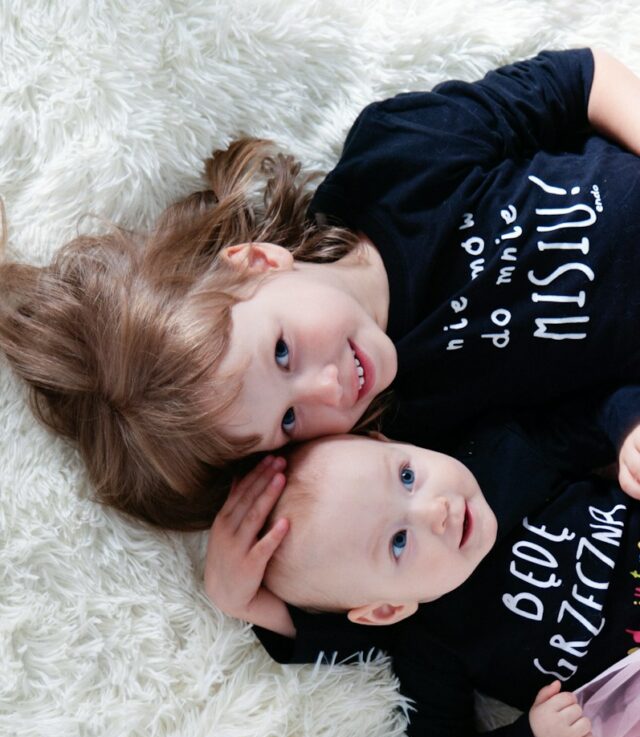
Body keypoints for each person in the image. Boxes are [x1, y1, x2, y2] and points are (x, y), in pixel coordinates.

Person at [4, 51, 640, 545]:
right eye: (287, 422)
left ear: (256, 263)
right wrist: (625, 428)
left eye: (282, 353)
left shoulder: (393, 163)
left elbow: (579, 80)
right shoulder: (413, 425)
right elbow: (562, 422)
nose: (327, 393)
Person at [256, 428, 640, 737]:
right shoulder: (430, 645)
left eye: (407, 477)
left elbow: (596, 419)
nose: (435, 509)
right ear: (386, 608)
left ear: (394, 441)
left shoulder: (503, 456)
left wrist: (628, 435)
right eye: (399, 542)